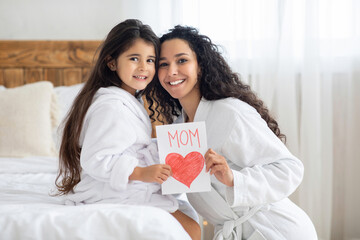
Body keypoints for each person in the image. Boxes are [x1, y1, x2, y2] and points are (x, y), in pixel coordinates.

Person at [147, 25, 318, 239]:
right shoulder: (177, 129)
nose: (171, 71)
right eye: (164, 64)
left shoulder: (229, 113)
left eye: (182, 60)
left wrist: (234, 179)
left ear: (200, 66)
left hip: (274, 230)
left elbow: (290, 169)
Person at [55, 19, 200, 240]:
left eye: (150, 60)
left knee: (192, 222)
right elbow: (96, 159)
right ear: (112, 63)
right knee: (191, 229)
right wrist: (141, 172)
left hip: (125, 187)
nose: (144, 67)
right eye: (134, 59)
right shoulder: (111, 107)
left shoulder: (128, 99)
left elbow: (128, 145)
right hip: (113, 191)